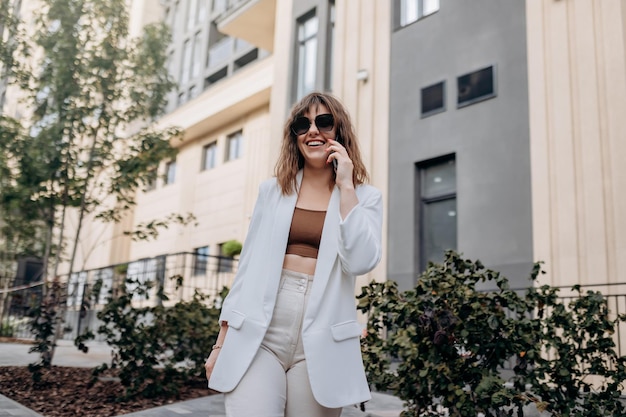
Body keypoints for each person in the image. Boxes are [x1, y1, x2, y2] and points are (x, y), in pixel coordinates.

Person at [205, 91, 383, 417]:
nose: (313, 130)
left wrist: (346, 186)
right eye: (303, 124)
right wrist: (221, 343)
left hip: (322, 337)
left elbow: (359, 261)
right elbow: (246, 271)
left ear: (340, 131)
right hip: (261, 332)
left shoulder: (365, 198)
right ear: (295, 136)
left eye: (324, 122)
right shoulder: (272, 191)